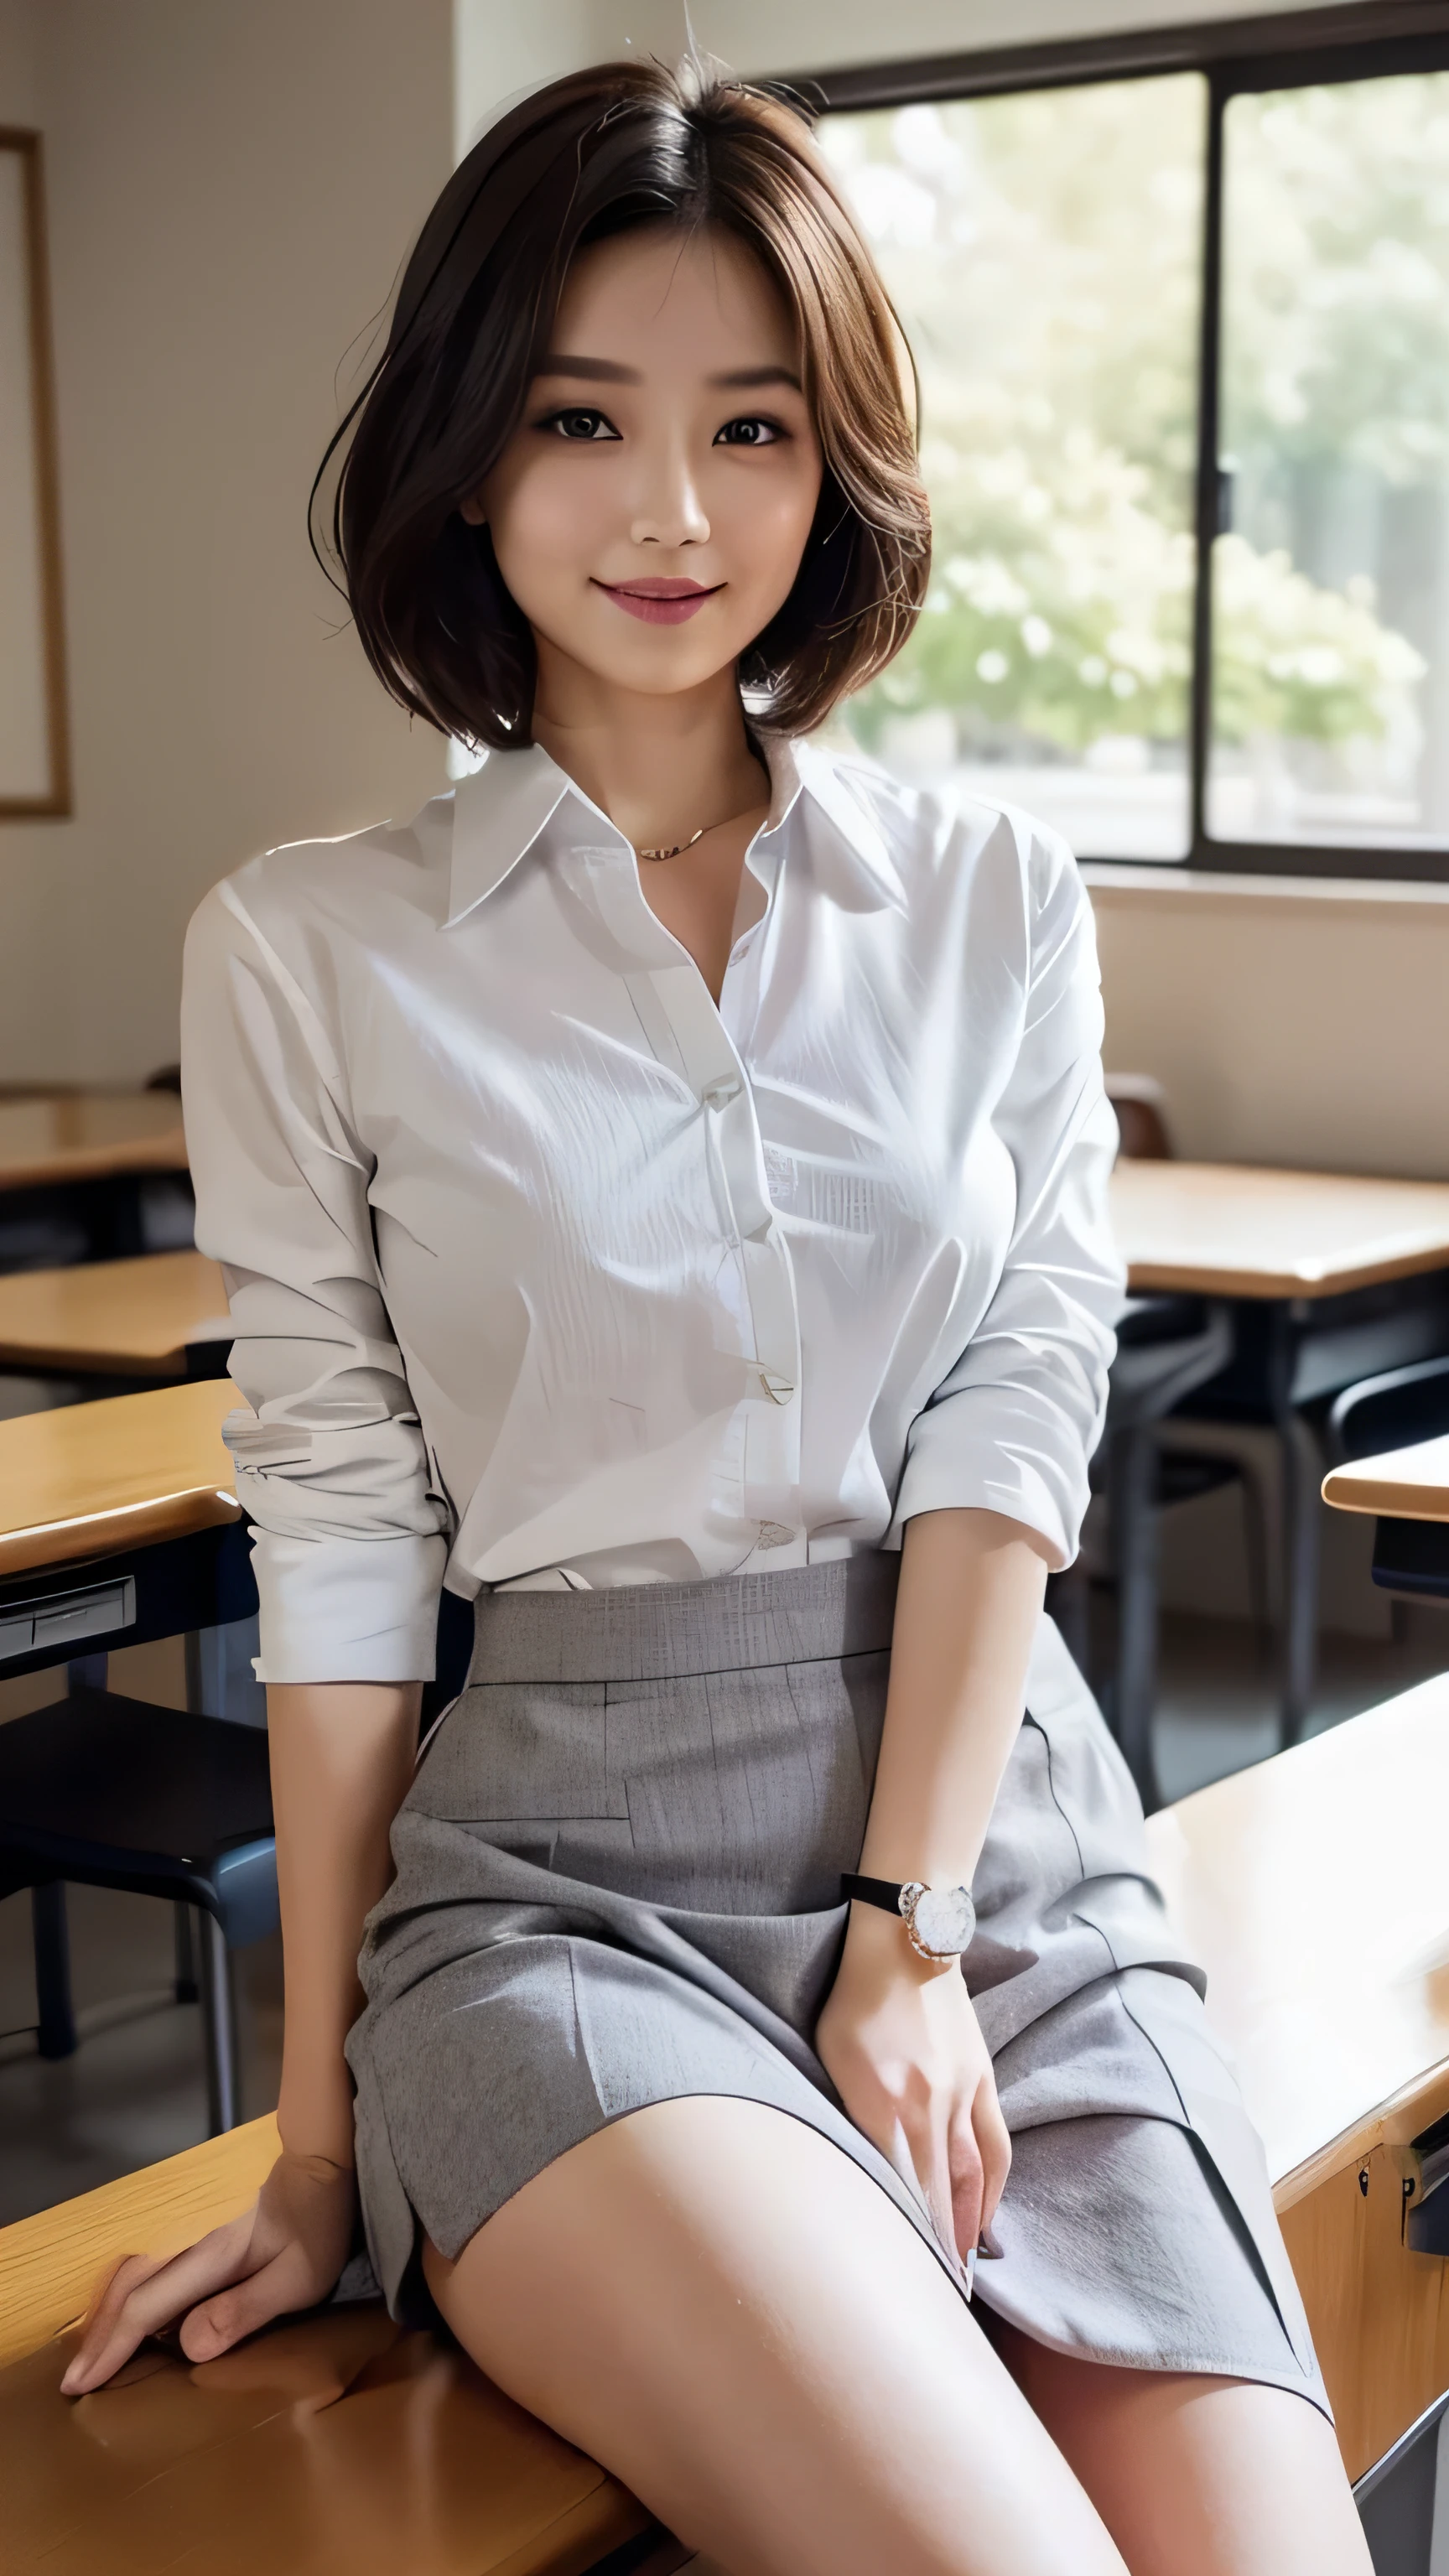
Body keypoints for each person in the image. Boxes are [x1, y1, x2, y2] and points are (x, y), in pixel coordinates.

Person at [63, 60, 1370, 2576]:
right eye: (582, 418)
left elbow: (1016, 1415)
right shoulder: (308, 950)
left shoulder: (991, 894)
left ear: (832, 464)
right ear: (468, 450)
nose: (671, 511)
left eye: (749, 427)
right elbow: (338, 1567)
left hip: (990, 1853)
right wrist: (317, 2150)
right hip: (565, 1895)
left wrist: (909, 1927)